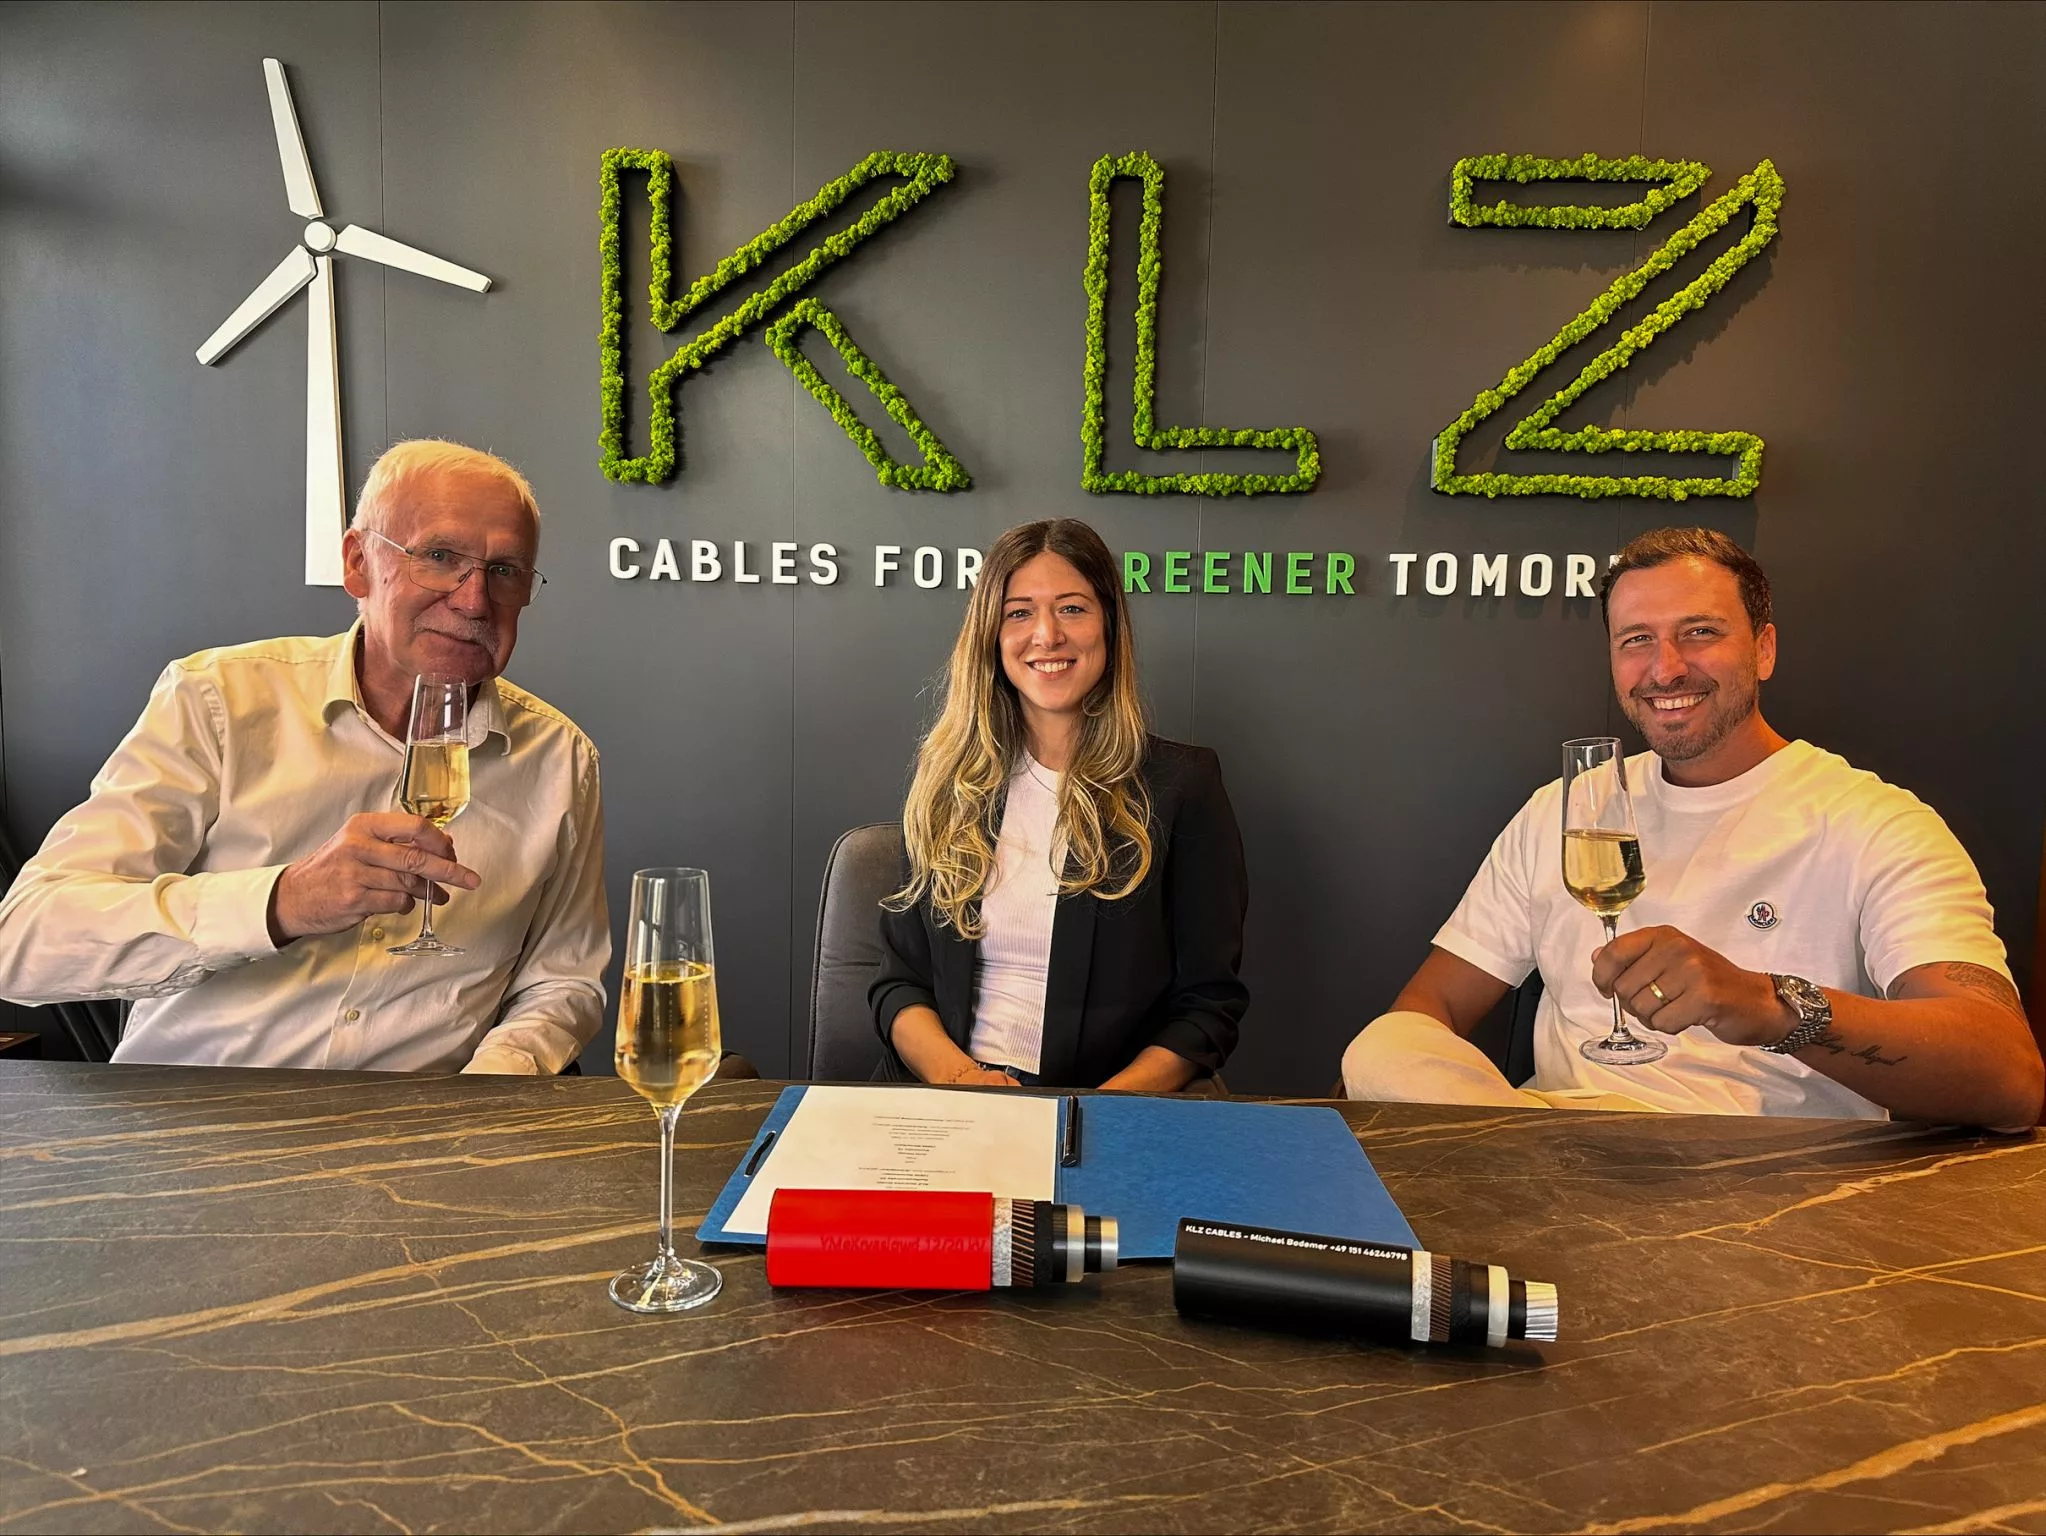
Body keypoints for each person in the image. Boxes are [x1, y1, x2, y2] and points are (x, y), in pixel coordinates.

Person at [1342, 527, 2042, 1129]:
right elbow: (1429, 1008)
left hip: (1763, 1185)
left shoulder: (1875, 823)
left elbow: (2009, 1078)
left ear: (1763, 649)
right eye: (1636, 640)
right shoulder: (1566, 809)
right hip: (1553, 1154)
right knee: (1381, 1047)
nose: (1665, 667)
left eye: (1700, 632)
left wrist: (1772, 1005)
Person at [0, 440, 607, 1074]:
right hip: (192, 1117)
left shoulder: (560, 759)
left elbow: (561, 983)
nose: (474, 599)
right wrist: (282, 902)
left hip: (423, 1126)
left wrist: (482, 1096)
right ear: (358, 563)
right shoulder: (218, 700)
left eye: (505, 570)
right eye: (439, 557)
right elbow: (24, 945)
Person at [871, 518, 1248, 1091]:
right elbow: (899, 983)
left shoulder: (1182, 786)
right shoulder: (947, 782)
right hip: (946, 1092)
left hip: (1108, 1101)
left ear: (1109, 625)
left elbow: (1207, 1005)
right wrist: (961, 1078)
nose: (1046, 635)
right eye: (1019, 612)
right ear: (991, 636)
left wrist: (1105, 1106)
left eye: (1072, 608)